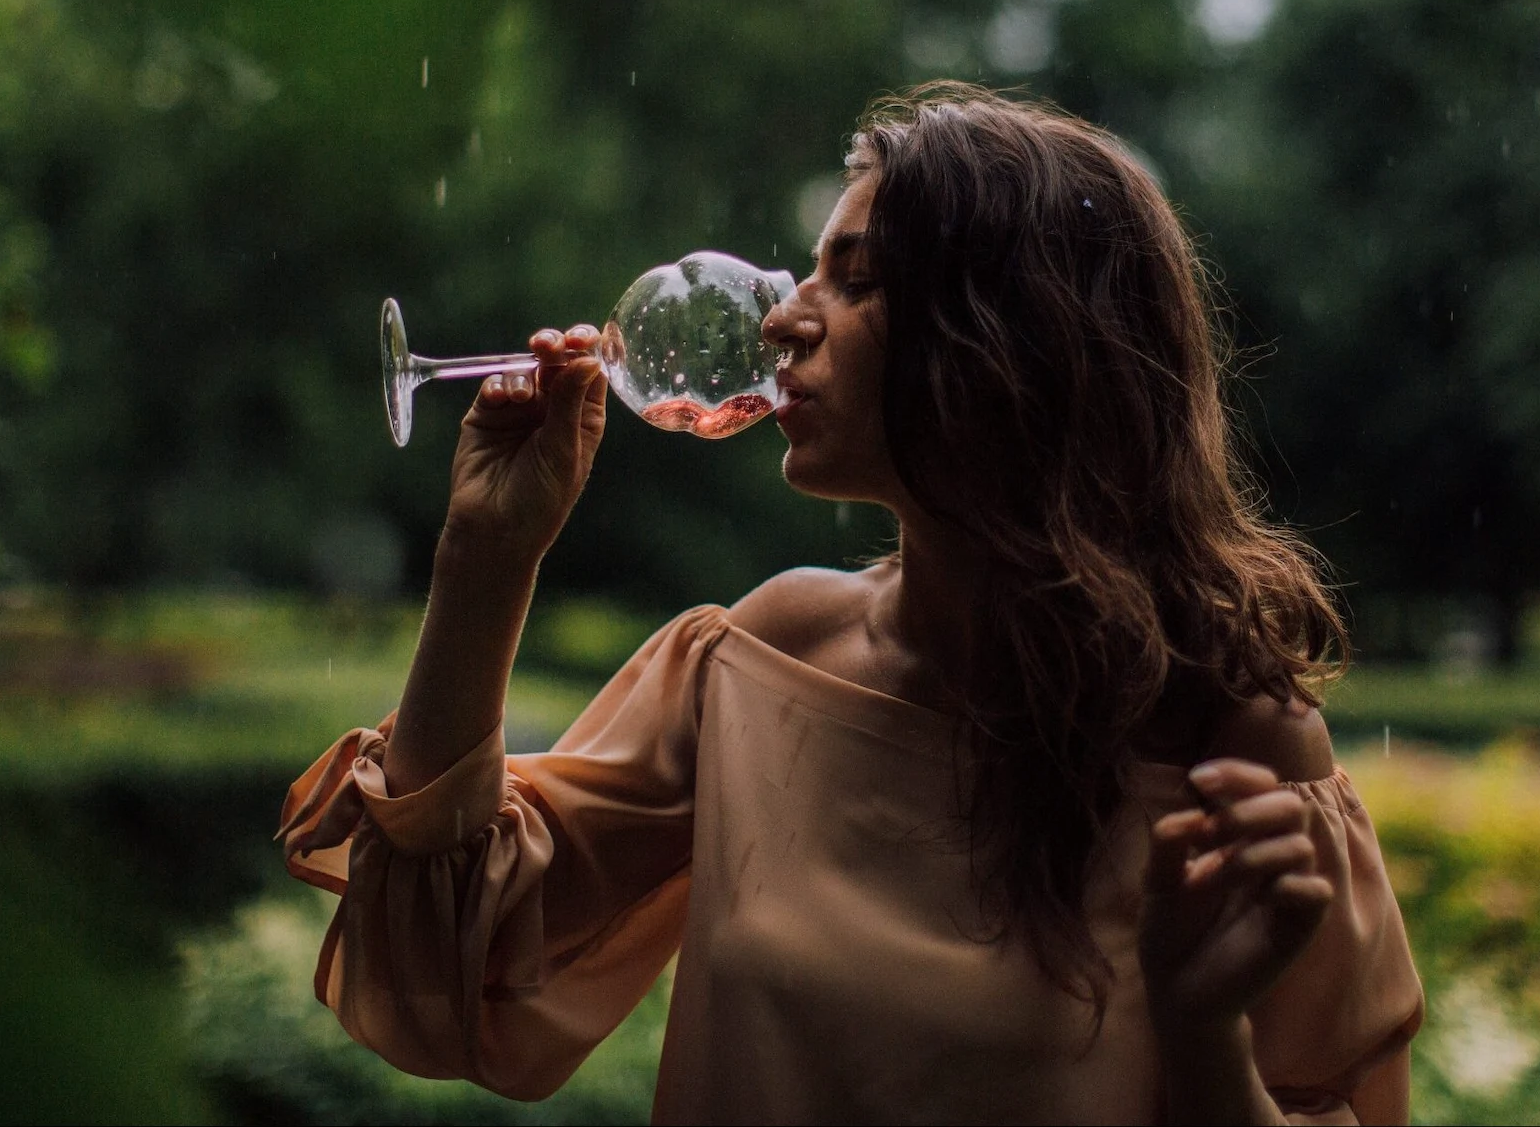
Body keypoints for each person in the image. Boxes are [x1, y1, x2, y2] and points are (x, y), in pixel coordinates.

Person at [280, 83, 1423, 1124]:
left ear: (1011, 335)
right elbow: (443, 971)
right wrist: (486, 553)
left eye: (857, 278)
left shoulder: (1232, 741)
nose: (782, 321)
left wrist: (1203, 1032)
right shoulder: (761, 660)